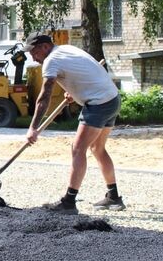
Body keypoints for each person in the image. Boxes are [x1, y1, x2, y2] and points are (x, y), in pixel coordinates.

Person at [23, 32, 125, 215]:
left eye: (34, 52)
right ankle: (114, 197)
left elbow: (44, 97)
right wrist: (75, 92)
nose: (33, 57)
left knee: (78, 149)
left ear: (45, 47)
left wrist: (33, 128)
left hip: (99, 103)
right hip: (112, 98)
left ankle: (69, 202)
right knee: (97, 149)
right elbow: (84, 71)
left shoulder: (51, 60)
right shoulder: (66, 49)